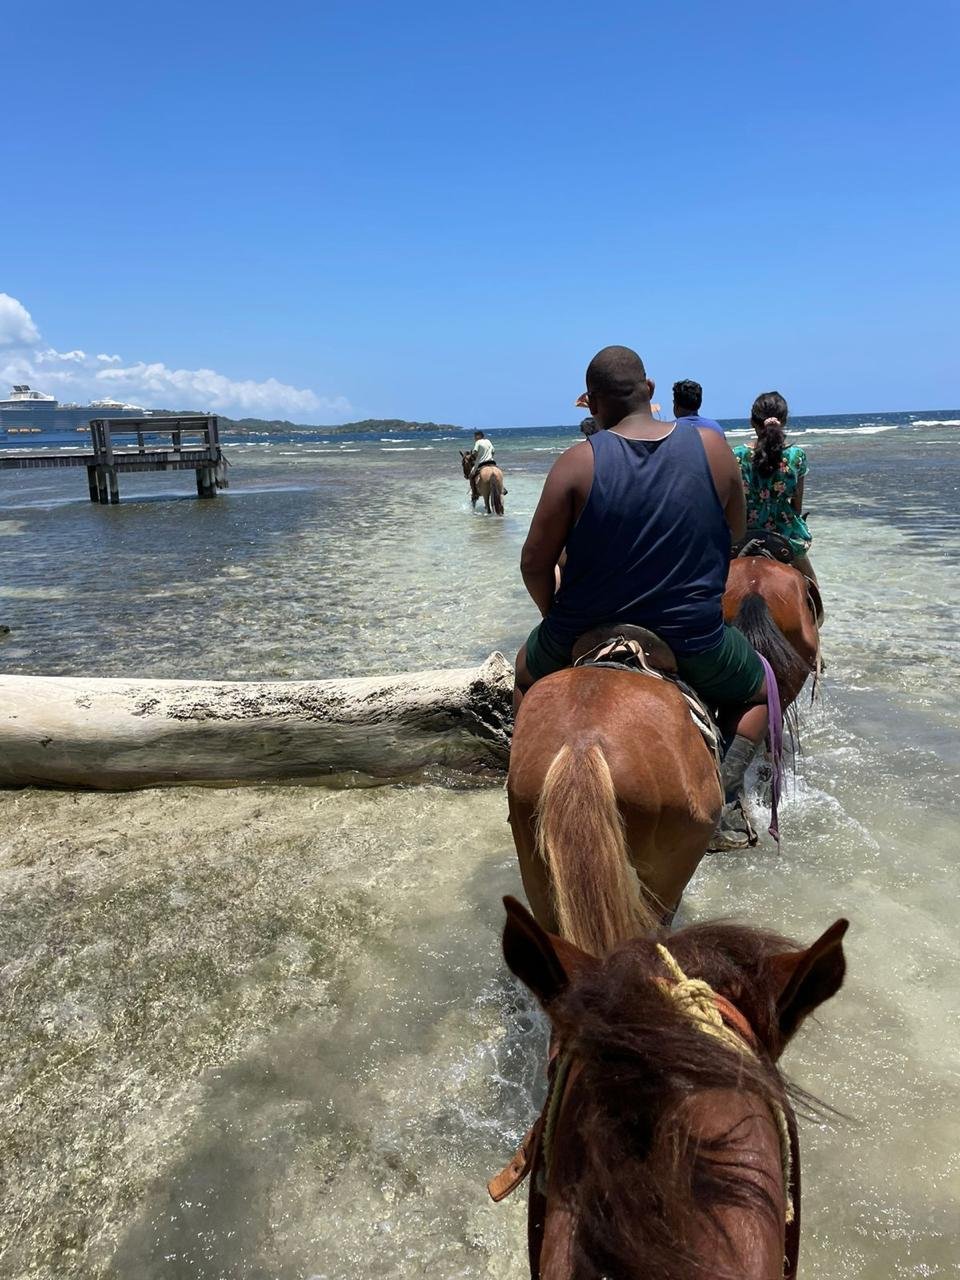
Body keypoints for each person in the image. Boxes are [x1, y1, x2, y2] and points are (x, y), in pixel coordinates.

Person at [515, 346, 769, 844]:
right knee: (761, 689)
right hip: (691, 638)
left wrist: (556, 620)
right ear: (650, 391)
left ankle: (522, 795)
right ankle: (725, 792)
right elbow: (735, 531)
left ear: (590, 403)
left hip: (582, 627)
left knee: (525, 678)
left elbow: (533, 563)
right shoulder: (713, 450)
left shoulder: (576, 463)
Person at [732, 392, 816, 585]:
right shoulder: (797, 455)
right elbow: (797, 506)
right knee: (812, 586)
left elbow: (731, 503)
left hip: (744, 533)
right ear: (784, 421)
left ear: (752, 422)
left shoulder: (736, 455)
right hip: (783, 533)